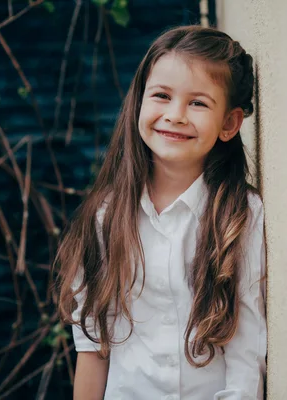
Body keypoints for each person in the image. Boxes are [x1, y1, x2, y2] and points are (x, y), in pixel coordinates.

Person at [55, 25, 266, 400]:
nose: (176, 115)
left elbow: (246, 348)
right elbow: (93, 347)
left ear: (230, 124)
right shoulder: (106, 217)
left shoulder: (239, 215)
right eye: (162, 96)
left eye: (198, 103)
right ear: (139, 102)